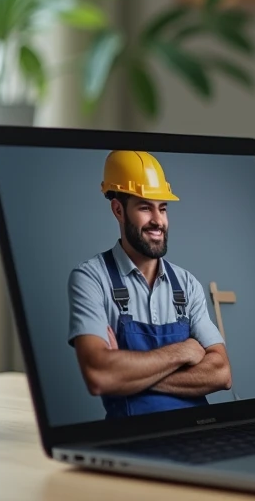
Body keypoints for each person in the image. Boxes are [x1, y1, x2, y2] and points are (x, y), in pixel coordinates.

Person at [68, 150, 232, 418]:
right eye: (145, 207)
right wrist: (184, 351)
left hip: (197, 436)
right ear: (118, 210)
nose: (158, 221)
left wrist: (127, 376)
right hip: (132, 441)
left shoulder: (187, 284)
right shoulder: (90, 278)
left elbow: (221, 373)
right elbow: (100, 375)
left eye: (163, 208)